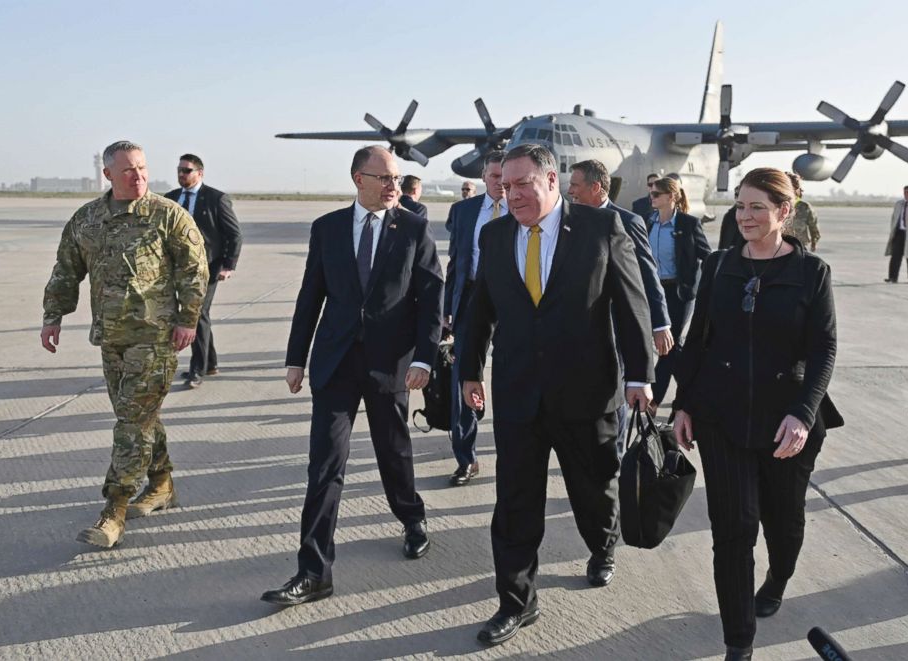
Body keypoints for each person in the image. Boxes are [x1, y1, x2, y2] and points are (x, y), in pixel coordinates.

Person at [459, 144, 655, 646]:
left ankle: (603, 544)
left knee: (593, 490)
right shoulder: (494, 233)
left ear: (551, 180)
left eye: (524, 183)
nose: (513, 193)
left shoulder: (601, 229)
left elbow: (632, 306)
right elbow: (479, 309)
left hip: (586, 394)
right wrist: (468, 370)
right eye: (507, 184)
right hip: (519, 392)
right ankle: (517, 602)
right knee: (515, 504)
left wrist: (640, 376)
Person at [262, 146, 443, 607]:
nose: (393, 187)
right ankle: (313, 571)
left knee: (393, 452)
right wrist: (295, 358)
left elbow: (431, 301)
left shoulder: (415, 228)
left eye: (398, 179)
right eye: (384, 179)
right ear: (357, 179)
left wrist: (424, 359)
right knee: (324, 467)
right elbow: (311, 295)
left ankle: (411, 517)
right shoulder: (327, 228)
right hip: (335, 363)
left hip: (389, 365)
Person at [672, 167, 841, 661]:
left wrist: (804, 413)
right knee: (733, 530)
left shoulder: (811, 273)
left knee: (782, 521)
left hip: (785, 421)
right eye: (740, 207)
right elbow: (697, 339)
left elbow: (824, 349)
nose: (745, 217)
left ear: (784, 213)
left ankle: (778, 577)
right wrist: (684, 403)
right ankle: (738, 643)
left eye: (757, 208)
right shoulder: (719, 266)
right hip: (721, 419)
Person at [41, 140, 209, 548]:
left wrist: (188, 320)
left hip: (155, 338)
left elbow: (194, 268)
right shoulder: (88, 219)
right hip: (111, 338)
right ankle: (163, 483)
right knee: (141, 418)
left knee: (131, 424)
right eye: (129, 170)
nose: (139, 176)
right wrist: (53, 315)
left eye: (143, 168)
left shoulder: (168, 215)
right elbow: (67, 269)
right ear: (109, 175)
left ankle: (113, 511)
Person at [567, 159, 672, 453]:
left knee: (615, 391)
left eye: (575, 185)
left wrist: (660, 323)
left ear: (596, 187)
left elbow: (647, 277)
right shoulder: (568, 220)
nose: (570, 192)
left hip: (614, 323)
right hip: (579, 327)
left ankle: (616, 453)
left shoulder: (627, 222)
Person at [442, 150, 506, 486]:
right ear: (484, 177)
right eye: (495, 177)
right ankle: (465, 457)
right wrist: (447, 305)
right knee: (462, 379)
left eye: (505, 177)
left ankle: (514, 451)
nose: (501, 184)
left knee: (512, 378)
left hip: (511, 305)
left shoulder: (525, 210)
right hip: (470, 299)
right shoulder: (464, 211)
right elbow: (456, 260)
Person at [164, 154, 242, 388]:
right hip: (179, 268)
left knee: (195, 315)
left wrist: (228, 265)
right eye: (179, 170)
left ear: (200, 173)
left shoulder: (216, 199)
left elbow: (234, 234)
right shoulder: (170, 199)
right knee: (201, 316)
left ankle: (196, 371)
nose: (181, 175)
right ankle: (210, 363)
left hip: (208, 267)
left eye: (187, 171)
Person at [647, 176, 712, 412]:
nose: (651, 198)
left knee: (668, 345)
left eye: (656, 194)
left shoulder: (688, 224)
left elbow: (708, 256)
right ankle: (699, 388)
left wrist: (708, 287)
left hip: (679, 292)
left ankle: (653, 399)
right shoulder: (648, 223)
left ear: (671, 197)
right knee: (675, 348)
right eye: (651, 194)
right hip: (654, 292)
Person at [783, 172, 820, 252]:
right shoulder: (775, 205)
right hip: (779, 246)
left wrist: (814, 242)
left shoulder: (804, 207)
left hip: (800, 246)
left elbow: (813, 226)